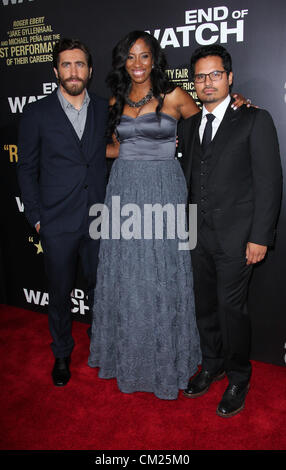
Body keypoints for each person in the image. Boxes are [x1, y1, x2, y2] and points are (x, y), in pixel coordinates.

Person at [88, 31, 247, 400]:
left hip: (166, 191)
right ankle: (127, 354)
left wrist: (236, 102)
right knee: (128, 273)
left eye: (144, 56)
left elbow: (210, 126)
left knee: (165, 269)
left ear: (154, 60)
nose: (138, 64)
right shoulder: (116, 98)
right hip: (124, 191)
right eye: (130, 57)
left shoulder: (174, 96)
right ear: (122, 62)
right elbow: (114, 147)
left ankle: (170, 356)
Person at [181, 44, 282, 416]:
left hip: (239, 237)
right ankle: (212, 363)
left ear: (229, 77)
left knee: (231, 308)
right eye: (201, 76)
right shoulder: (189, 124)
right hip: (196, 233)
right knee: (203, 305)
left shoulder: (255, 119)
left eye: (215, 74)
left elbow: (270, 183)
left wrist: (260, 237)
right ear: (194, 82)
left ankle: (239, 375)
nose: (208, 82)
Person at [17, 38, 108, 387]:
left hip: (99, 218)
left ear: (90, 70)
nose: (74, 71)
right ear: (56, 70)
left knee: (103, 289)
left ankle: (102, 347)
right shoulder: (37, 113)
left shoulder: (104, 107)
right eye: (67, 65)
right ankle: (61, 353)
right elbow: (26, 169)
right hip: (56, 222)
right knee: (59, 293)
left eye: (80, 64)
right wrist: (37, 217)